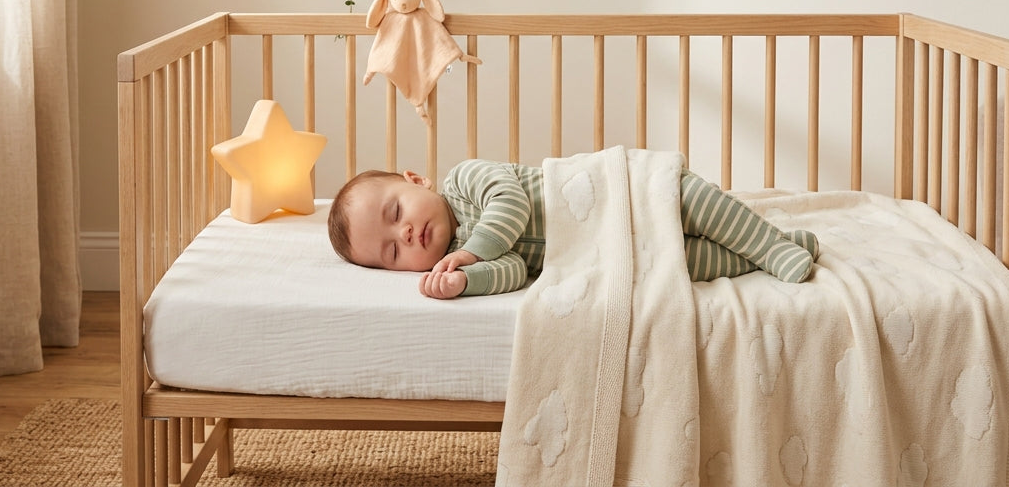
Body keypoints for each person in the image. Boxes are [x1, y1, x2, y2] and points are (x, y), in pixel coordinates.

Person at [327, 158, 819, 299]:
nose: (404, 234)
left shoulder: (465, 179)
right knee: (686, 261)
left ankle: (770, 246)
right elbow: (514, 271)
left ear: (417, 180)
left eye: (395, 213)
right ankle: (767, 254)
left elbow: (510, 203)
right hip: (609, 250)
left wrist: (472, 253)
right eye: (392, 253)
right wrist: (465, 281)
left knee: (699, 205)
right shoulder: (459, 259)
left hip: (627, 192)